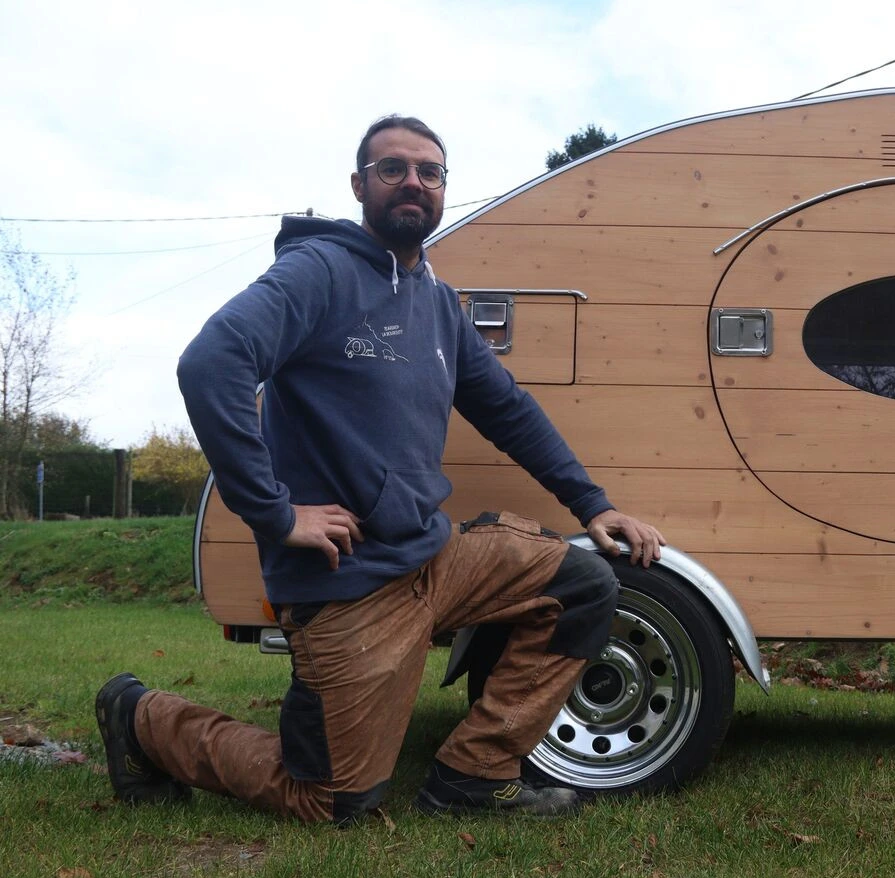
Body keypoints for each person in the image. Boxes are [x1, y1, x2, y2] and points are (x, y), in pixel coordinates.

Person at [94, 114, 665, 824]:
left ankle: (473, 777)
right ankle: (140, 717)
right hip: (349, 580)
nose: (413, 182)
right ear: (360, 185)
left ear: (444, 188)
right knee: (332, 800)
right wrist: (275, 513)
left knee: (581, 584)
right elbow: (213, 362)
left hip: (436, 558)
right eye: (392, 168)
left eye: (430, 171)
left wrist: (592, 503)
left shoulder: (437, 302)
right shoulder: (320, 271)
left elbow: (508, 410)